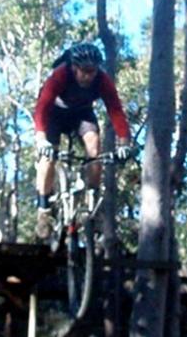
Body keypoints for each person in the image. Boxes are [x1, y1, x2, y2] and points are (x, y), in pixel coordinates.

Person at [33, 42, 131, 239]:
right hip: (55, 114)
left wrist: (124, 143)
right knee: (47, 158)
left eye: (92, 71)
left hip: (82, 115)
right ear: (74, 67)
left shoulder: (102, 80)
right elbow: (43, 107)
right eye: (84, 71)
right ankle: (44, 211)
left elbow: (115, 111)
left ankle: (93, 204)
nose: (88, 76)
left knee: (95, 151)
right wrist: (41, 139)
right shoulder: (60, 75)